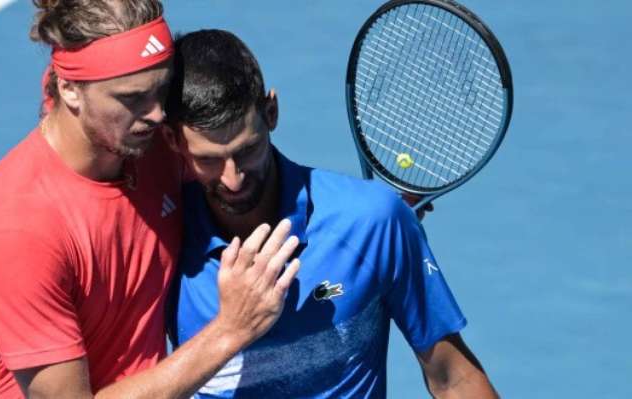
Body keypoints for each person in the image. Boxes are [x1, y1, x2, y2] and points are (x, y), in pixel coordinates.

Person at [0, 1, 300, 398]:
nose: (155, 114)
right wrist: (231, 330)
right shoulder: (19, 231)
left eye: (160, 90)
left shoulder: (147, 145)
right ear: (69, 91)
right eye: (132, 98)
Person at [159, 29, 500, 398]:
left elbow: (453, 379)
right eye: (208, 160)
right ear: (171, 140)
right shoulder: (153, 236)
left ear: (270, 112)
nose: (234, 178)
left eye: (247, 150)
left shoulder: (372, 223)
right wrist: (231, 329)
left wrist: (384, 227)